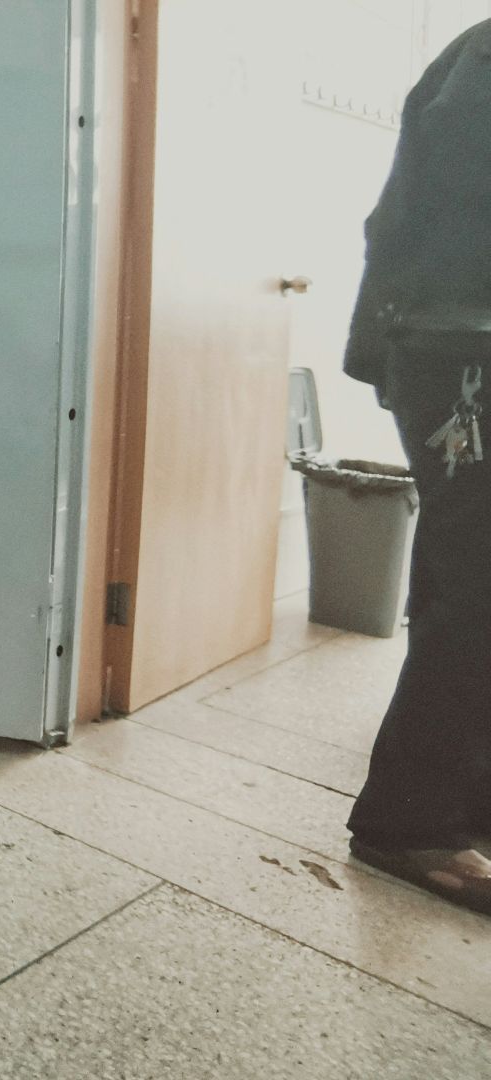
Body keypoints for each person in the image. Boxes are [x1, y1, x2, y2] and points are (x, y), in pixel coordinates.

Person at [343, 19, 491, 915]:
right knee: (474, 590)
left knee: (469, 581)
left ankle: (463, 795)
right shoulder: (483, 58)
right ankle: (410, 821)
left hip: (452, 344)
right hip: (464, 353)